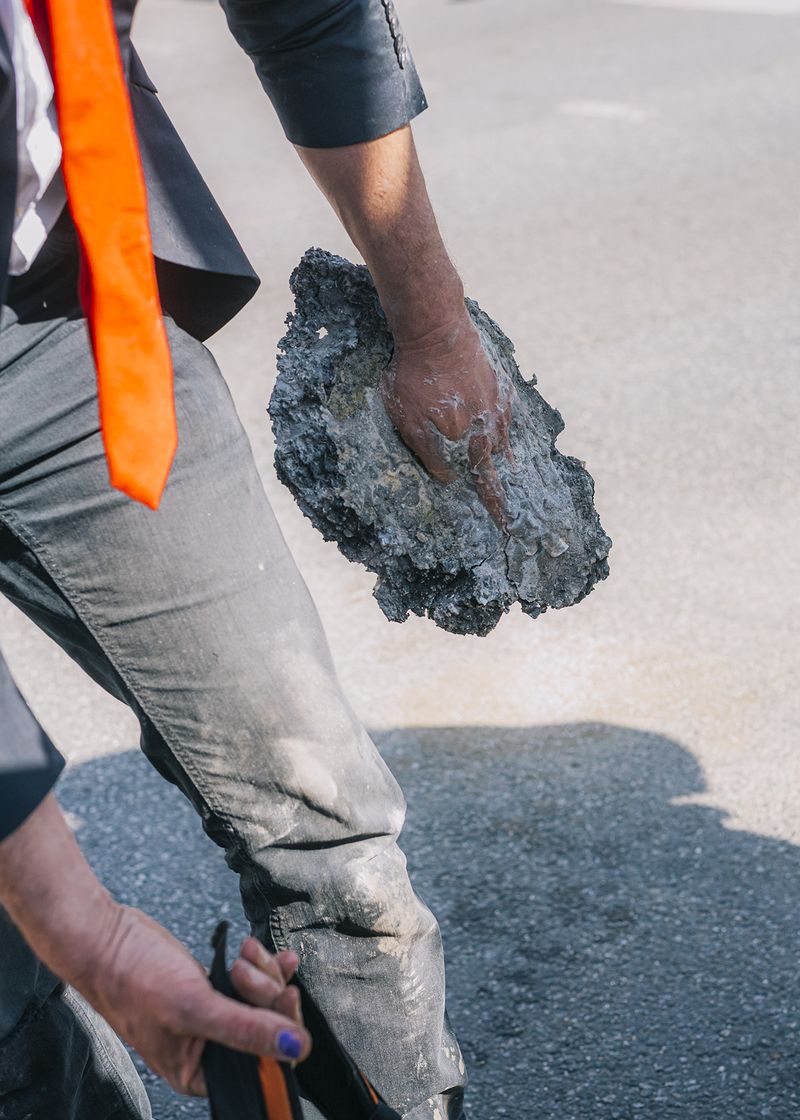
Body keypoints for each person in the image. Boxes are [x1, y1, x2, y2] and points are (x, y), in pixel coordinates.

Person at [0, 0, 511, 1116]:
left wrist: (431, 324)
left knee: (320, 817)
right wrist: (77, 921)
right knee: (10, 977)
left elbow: (310, 10)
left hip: (67, 311)